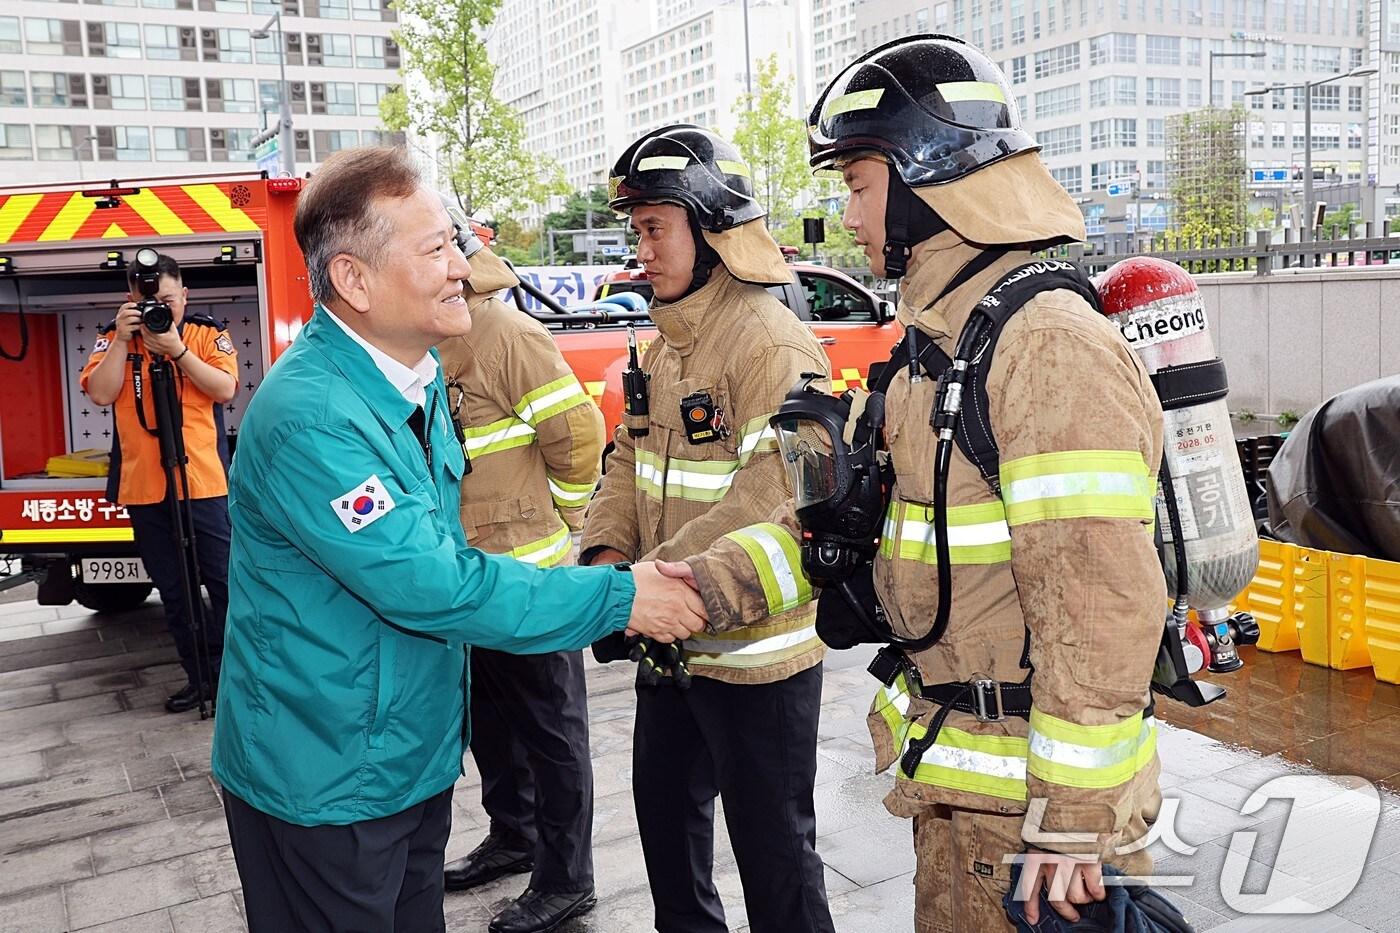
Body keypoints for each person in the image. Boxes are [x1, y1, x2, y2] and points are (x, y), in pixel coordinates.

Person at [675, 36, 1167, 932]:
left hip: (1037, 831)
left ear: (923, 180)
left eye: (859, 185)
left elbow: (1103, 608)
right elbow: (836, 529)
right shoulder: (936, 349)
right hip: (963, 792)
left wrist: (1070, 828)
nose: (848, 215)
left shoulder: (1044, 345)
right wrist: (698, 587)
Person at [209, 146, 706, 933]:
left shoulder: (414, 374)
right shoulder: (312, 416)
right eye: (436, 247)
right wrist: (623, 594)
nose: (461, 265)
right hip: (327, 776)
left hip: (407, 758)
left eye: (456, 241)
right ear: (355, 281)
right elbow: (431, 584)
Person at [581, 125, 836, 933]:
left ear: (711, 225)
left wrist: (636, 584)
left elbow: (771, 497)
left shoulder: (773, 342)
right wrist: (608, 554)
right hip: (669, 641)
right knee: (666, 835)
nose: (641, 249)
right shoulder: (665, 347)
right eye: (637, 231)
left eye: (655, 227)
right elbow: (625, 458)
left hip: (758, 659)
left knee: (777, 864)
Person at [436, 227, 605, 933]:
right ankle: (515, 833)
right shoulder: (434, 335)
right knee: (492, 721)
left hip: (529, 579)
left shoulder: (504, 331)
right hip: (467, 577)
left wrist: (565, 522)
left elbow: (580, 437)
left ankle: (567, 877)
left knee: (551, 731)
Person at [80, 253, 237, 713]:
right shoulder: (115, 339)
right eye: (149, 299)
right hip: (146, 488)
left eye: (169, 298)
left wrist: (178, 350)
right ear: (131, 298)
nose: (160, 308)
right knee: (174, 591)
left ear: (184, 295)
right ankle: (201, 678)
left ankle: (239, 680)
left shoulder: (207, 333)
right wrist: (121, 339)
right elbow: (101, 392)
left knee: (226, 584)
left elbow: (225, 389)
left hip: (203, 484)